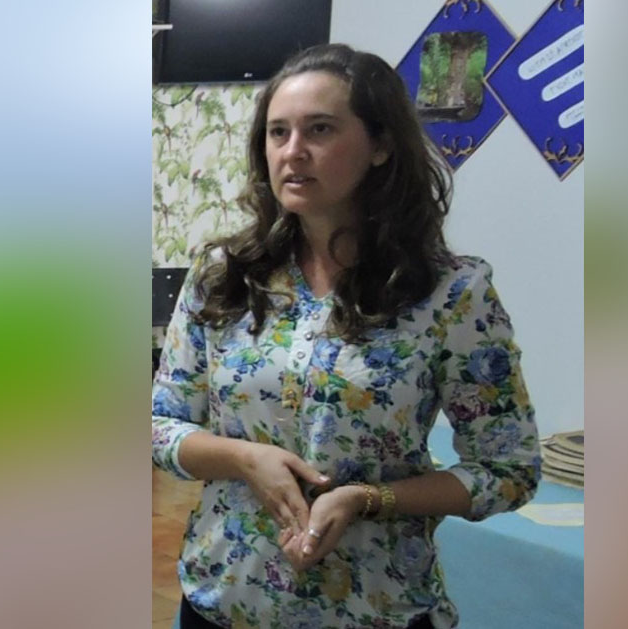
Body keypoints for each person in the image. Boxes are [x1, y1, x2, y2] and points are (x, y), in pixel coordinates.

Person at [152, 43, 540, 629]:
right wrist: (244, 458)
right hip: (225, 599)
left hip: (375, 608)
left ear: (381, 145)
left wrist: (369, 498)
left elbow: (509, 469)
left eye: (320, 129)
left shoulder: (450, 294)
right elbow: (161, 425)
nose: (293, 151)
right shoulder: (224, 278)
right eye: (278, 132)